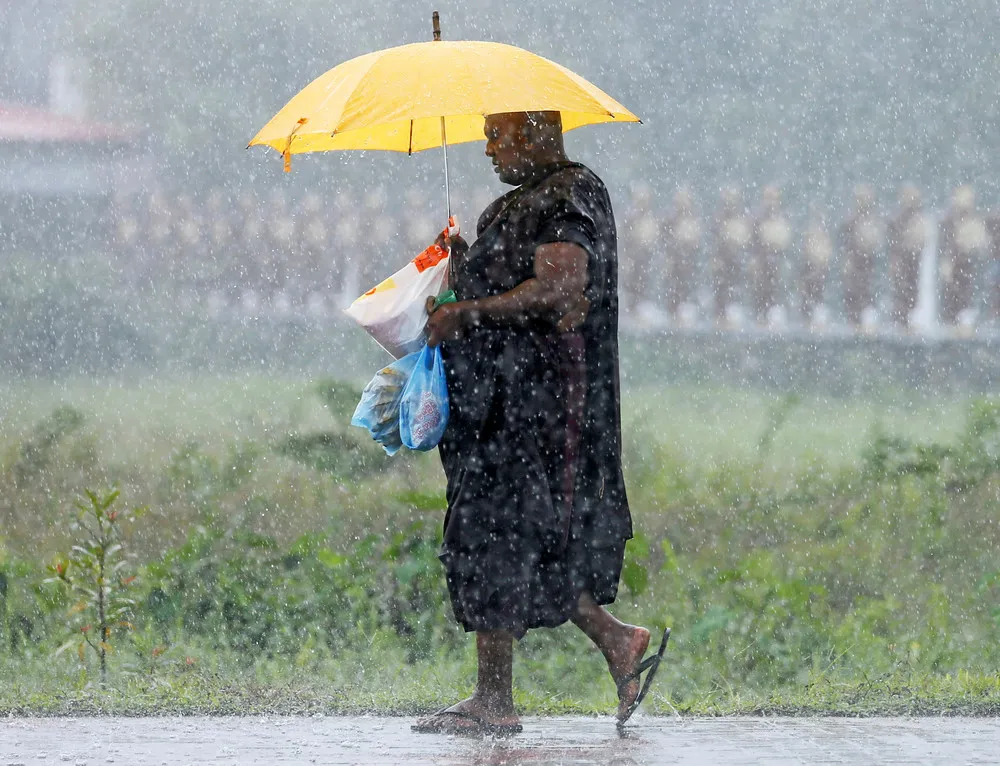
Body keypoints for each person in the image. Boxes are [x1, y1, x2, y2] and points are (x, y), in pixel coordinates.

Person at [415, 111, 666, 736]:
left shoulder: (569, 193)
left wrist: (468, 312)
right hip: (499, 402)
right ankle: (617, 641)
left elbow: (559, 289)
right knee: (512, 533)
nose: (489, 150)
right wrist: (465, 262)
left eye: (499, 135)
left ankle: (494, 700)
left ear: (536, 135)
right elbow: (516, 279)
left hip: (538, 407)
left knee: (494, 530)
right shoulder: (514, 205)